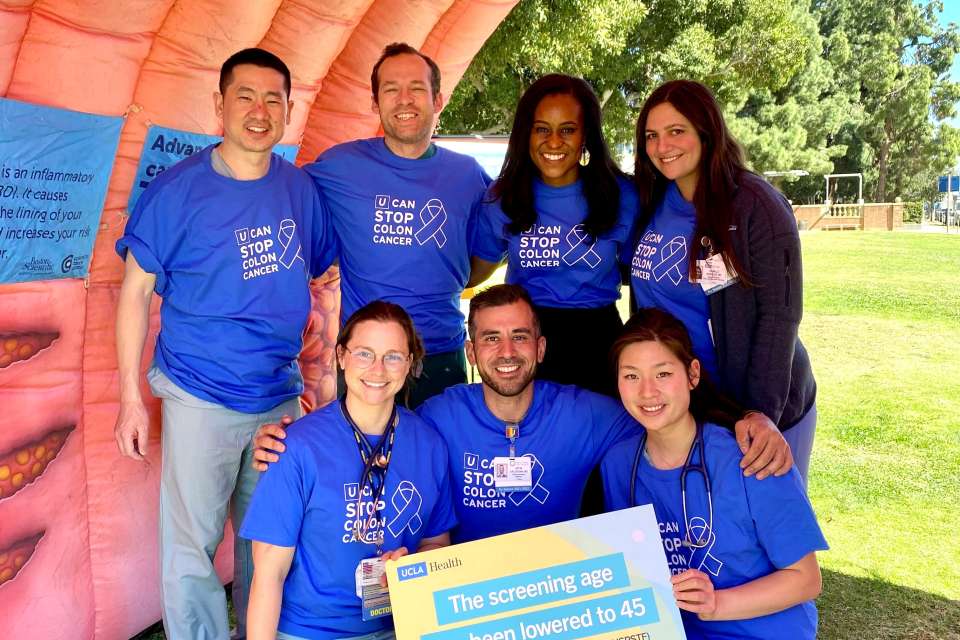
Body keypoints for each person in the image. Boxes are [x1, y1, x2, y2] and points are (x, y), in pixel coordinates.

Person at [254, 285, 792, 544]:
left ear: (540, 347)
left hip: (554, 597)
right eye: (490, 338)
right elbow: (365, 414)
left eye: (518, 337)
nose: (505, 351)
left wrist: (751, 417)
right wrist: (289, 436)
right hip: (465, 601)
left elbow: (662, 407)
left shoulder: (586, 414)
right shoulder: (438, 416)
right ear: (471, 352)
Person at [114, 48, 334, 639]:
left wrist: (328, 374)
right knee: (191, 554)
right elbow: (135, 292)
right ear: (219, 104)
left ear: (288, 109)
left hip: (279, 398)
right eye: (245, 96)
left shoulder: (299, 190)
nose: (259, 111)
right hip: (200, 396)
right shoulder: (176, 190)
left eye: (273, 99)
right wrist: (131, 399)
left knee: (273, 541)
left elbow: (322, 276)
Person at [630, 80, 817, 483]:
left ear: (706, 130)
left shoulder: (755, 204)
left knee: (766, 533)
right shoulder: (651, 202)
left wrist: (759, 413)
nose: (663, 147)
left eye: (676, 131)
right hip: (685, 404)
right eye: (651, 135)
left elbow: (779, 316)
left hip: (753, 405)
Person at [602, 308, 827, 639]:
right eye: (631, 376)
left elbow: (805, 579)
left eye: (663, 374)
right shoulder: (619, 465)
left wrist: (716, 604)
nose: (647, 392)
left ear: (693, 374)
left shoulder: (753, 456)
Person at [241, 301, 455, 640]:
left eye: (393, 356)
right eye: (365, 354)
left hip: (401, 625)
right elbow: (269, 573)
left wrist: (413, 566)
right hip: (312, 631)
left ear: (409, 363)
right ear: (341, 357)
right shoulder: (296, 447)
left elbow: (436, 542)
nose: (378, 369)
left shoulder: (429, 445)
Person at [304, 42, 491, 407]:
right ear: (375, 104)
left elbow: (490, 249)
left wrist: (450, 277)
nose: (404, 100)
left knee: (439, 463)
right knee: (367, 464)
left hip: (439, 356)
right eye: (391, 90)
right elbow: (279, 195)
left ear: (437, 100)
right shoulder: (339, 166)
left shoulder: (468, 176)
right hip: (366, 361)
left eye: (417, 89)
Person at [470, 74, 638, 396]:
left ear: (586, 134)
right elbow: (472, 274)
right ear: (526, 134)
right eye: (542, 129)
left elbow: (645, 281)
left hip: (598, 339)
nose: (554, 142)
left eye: (568, 130)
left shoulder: (621, 196)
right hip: (525, 340)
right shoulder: (503, 197)